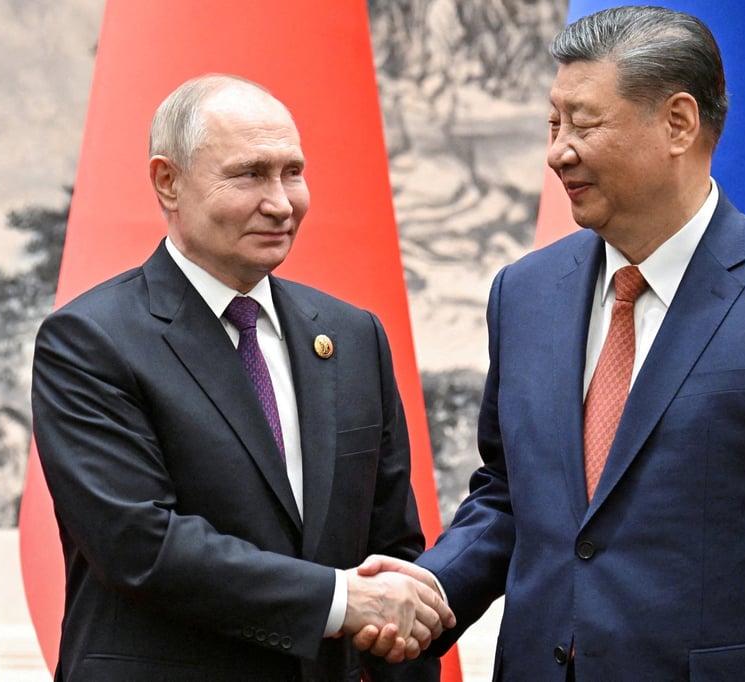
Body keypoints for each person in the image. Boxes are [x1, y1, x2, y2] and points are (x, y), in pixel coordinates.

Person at [358, 6, 745, 680]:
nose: (558, 151)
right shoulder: (525, 294)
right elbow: (509, 493)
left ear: (678, 123)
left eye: (583, 124)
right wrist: (430, 589)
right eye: (553, 124)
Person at [31, 73, 453, 682]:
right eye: (250, 174)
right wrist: (338, 601)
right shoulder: (91, 340)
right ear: (167, 181)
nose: (282, 202)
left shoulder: (354, 335)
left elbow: (392, 549)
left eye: (293, 172)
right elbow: (140, 544)